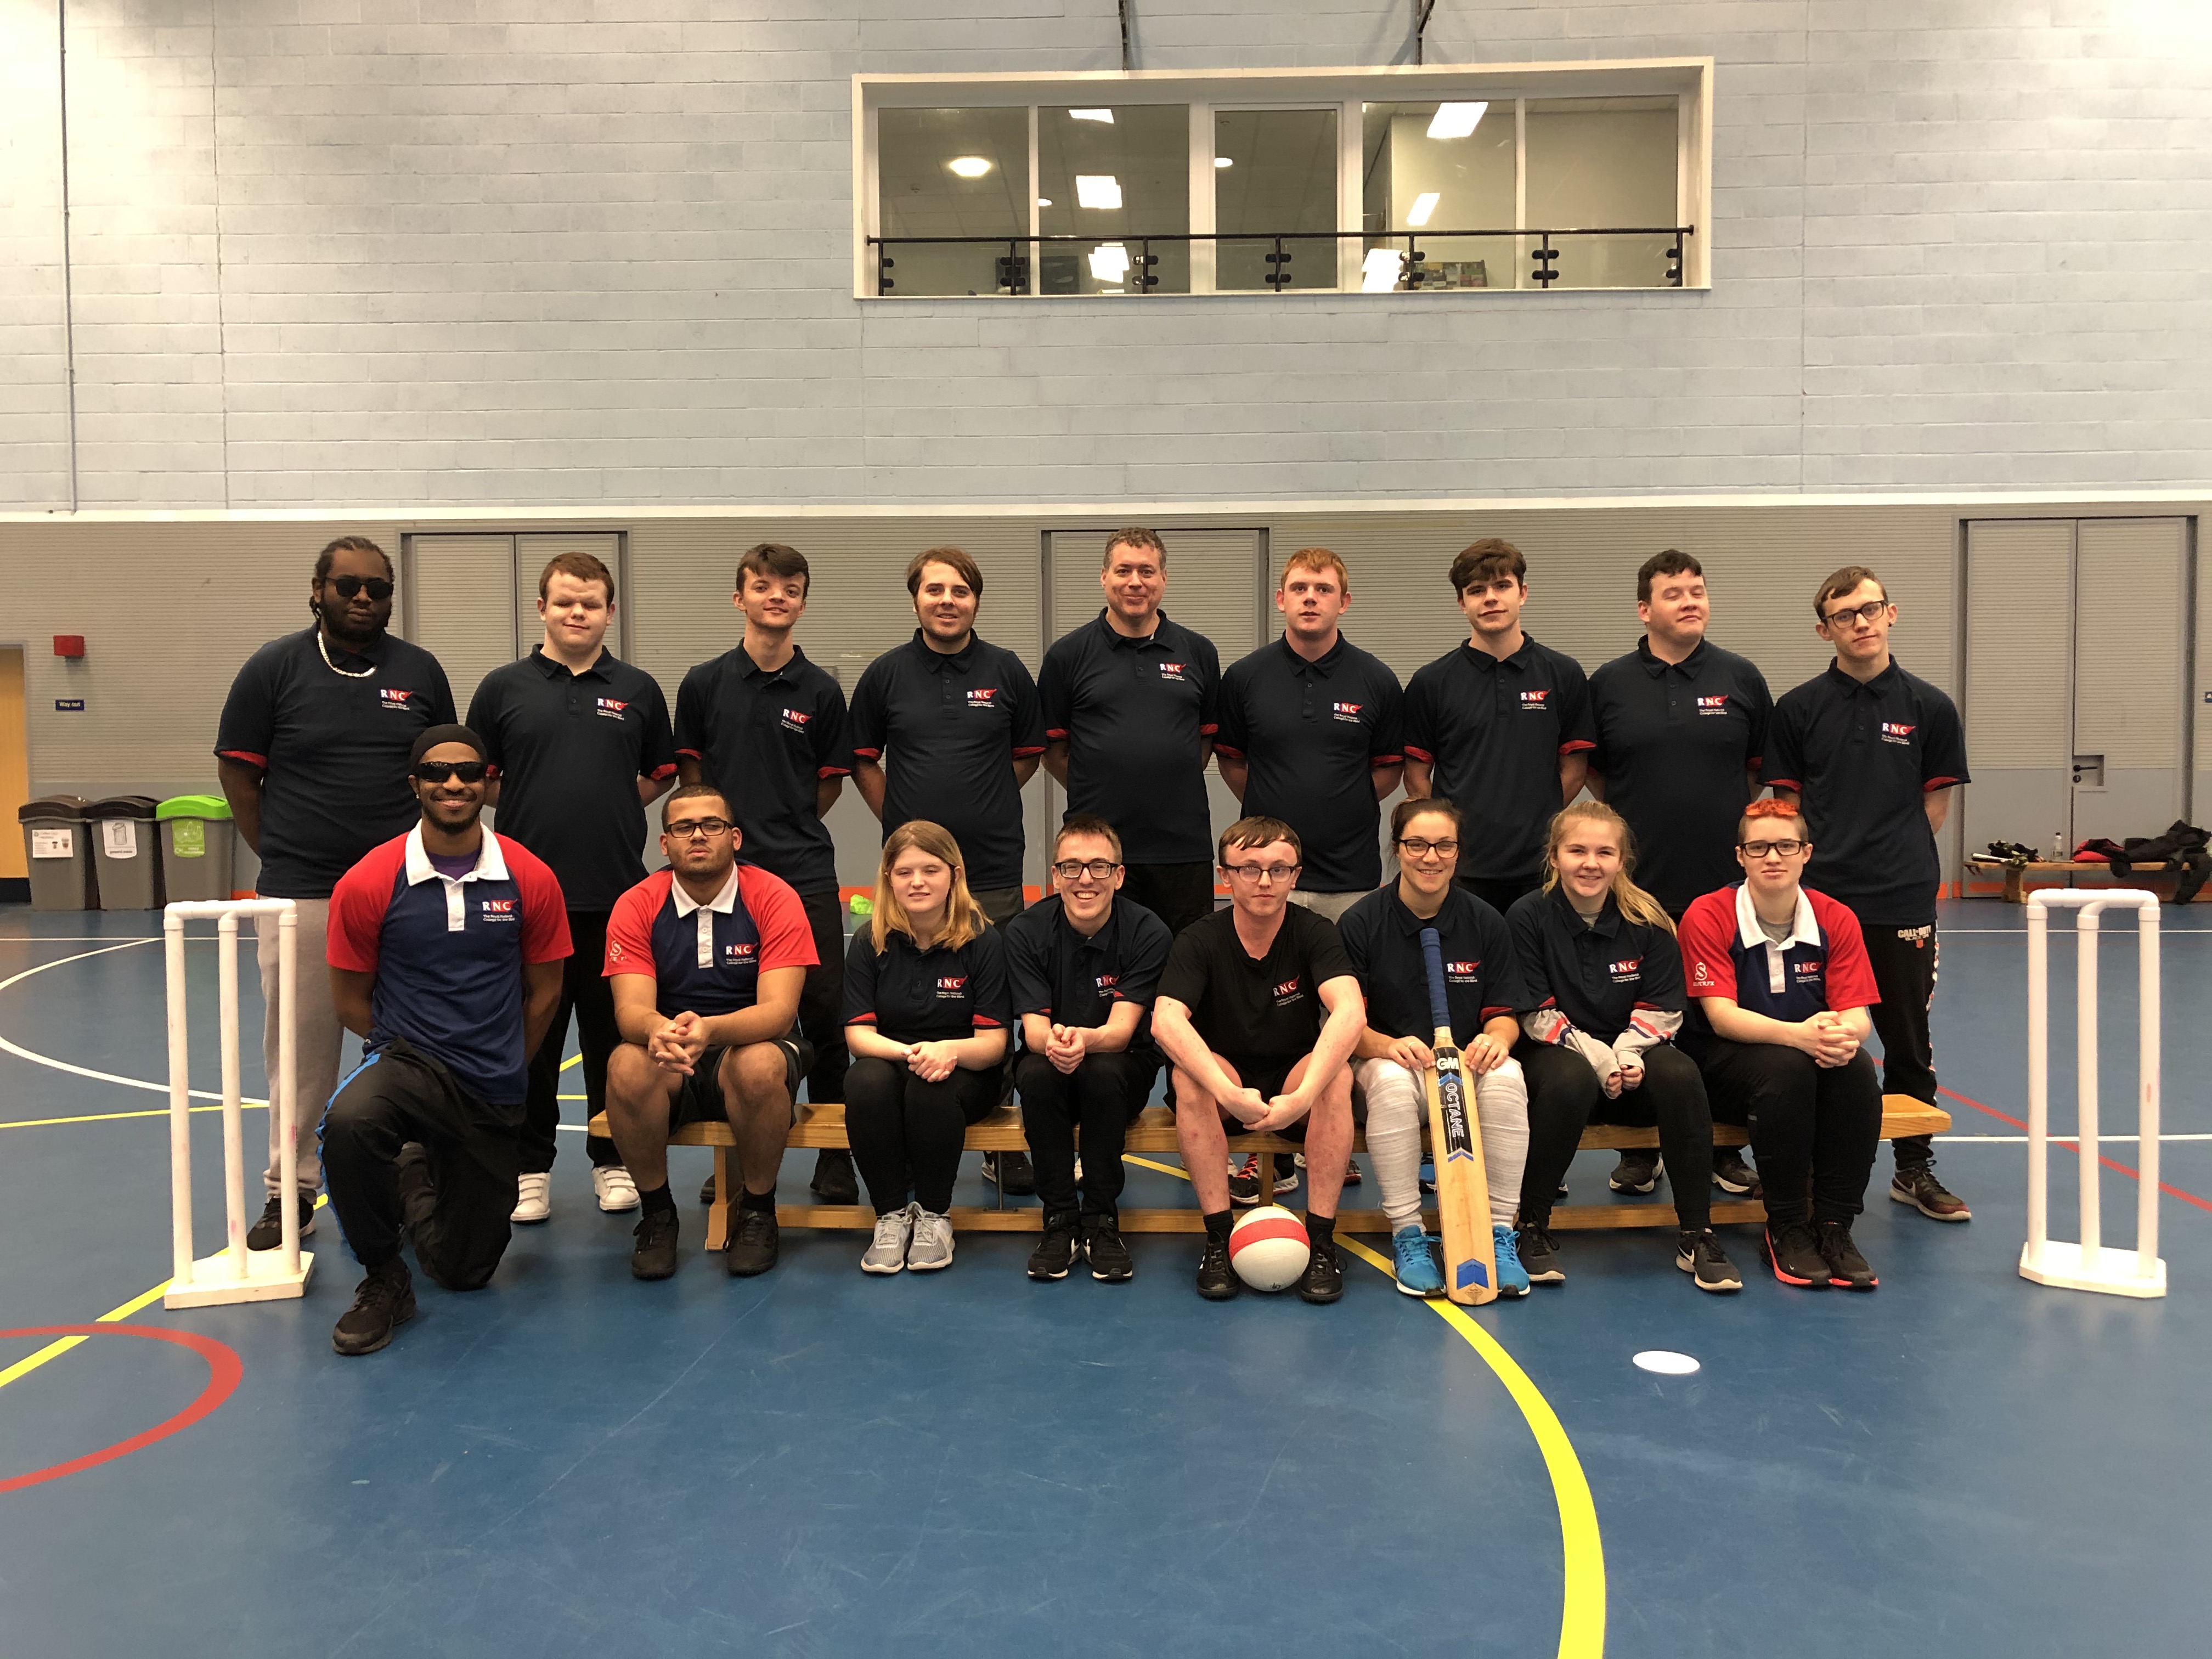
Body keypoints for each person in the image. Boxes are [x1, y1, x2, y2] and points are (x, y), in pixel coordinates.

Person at [216, 536, 456, 1253]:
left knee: (418, 1042)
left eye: (377, 588)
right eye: (347, 585)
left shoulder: (419, 671)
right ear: (317, 589)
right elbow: (238, 774)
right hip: (304, 894)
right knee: (301, 1049)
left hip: (407, 890)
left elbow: (444, 768)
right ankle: (289, 1191)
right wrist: (283, 853)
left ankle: (414, 1177)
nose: (362, 598)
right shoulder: (274, 668)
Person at [320, 727, 570, 1356]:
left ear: (488, 783)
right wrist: (403, 1049)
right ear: (415, 785)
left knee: (466, 1271)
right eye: (436, 772)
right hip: (409, 1060)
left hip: (492, 1077)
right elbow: (349, 1000)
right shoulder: (370, 881)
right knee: (349, 1123)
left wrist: (510, 1059)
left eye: (467, 772)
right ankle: (384, 1277)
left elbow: (545, 991)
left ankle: (411, 1171)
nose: (453, 784)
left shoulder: (530, 877)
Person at [466, 550, 676, 1224]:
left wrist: (610, 801)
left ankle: (612, 1160)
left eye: (590, 603)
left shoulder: (639, 689)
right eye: (564, 602)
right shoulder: (502, 688)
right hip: (525, 902)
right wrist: (531, 801)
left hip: (617, 899)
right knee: (532, 1037)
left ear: (610, 612)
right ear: (542, 609)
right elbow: (477, 779)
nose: (577, 613)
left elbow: (660, 774)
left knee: (613, 1038)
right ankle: (529, 1168)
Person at [1766, 566, 1972, 1223]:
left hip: (1901, 901)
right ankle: (1808, 1168)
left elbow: (1933, 807)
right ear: (1823, 629)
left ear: (1891, 613)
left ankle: (1913, 1168)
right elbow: (1787, 806)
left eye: (1870, 609)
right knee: (1819, 1037)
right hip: (1818, 903)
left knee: (1908, 1041)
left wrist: (1891, 857)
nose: (1860, 622)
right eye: (1844, 614)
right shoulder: (1798, 709)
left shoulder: (1930, 707)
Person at [849, 545, 1046, 1195]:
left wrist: (984, 800)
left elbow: (1026, 756)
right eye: (934, 589)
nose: (947, 601)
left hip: (993, 866)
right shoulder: (884, 675)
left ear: (976, 601)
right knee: (913, 993)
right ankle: (908, 1128)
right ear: (916, 599)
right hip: (913, 878)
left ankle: (999, 1141)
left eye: (960, 590)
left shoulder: (1006, 669)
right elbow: (863, 760)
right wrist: (905, 829)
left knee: (997, 1006)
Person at [675, 542, 861, 1207]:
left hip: (803, 873)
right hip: (724, 880)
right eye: (762, 586)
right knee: (731, 1011)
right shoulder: (703, 684)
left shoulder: (822, 691)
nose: (776, 596)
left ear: (802, 603)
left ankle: (835, 1157)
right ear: (740, 598)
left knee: (824, 1015)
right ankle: (736, 1151)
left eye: (790, 587)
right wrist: (723, 845)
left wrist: (783, 826)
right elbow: (692, 781)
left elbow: (827, 786)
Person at [1586, 548, 1774, 1203]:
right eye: (1674, 593)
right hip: (1637, 890)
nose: (1690, 601)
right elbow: (1598, 775)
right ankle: (1639, 1149)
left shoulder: (1741, 676)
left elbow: (1757, 773)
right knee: (1636, 1018)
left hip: (1721, 888)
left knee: (1717, 1020)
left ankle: (1725, 1147)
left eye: (1697, 590)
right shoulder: (1609, 683)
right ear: (1645, 610)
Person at [1506, 803, 1740, 1293]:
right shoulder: (1527, 917)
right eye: (1577, 851)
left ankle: (1697, 1232)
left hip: (1634, 1057)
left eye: (1604, 853)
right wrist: (1600, 1058)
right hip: (1561, 1059)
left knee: (1680, 1075)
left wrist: (1629, 1054)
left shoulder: (1648, 919)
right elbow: (1533, 1013)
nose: (1590, 863)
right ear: (1554, 856)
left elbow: (1664, 1007)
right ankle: (1531, 1225)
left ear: (1621, 861)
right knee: (1568, 1078)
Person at [601, 786, 817, 1281]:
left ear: (734, 837)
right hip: (674, 1051)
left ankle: (758, 1213)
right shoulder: (637, 904)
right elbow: (630, 1009)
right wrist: (658, 1029)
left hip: (752, 1042)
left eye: (712, 825)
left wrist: (712, 1029)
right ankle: (658, 1215)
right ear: (665, 844)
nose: (698, 836)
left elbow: (779, 1012)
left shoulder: (774, 897)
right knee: (626, 1064)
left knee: (758, 1065)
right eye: (684, 827)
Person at [1151, 817, 1364, 1305]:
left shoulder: (1315, 932)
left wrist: (1302, 1097)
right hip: (1225, 1080)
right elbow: (1166, 1021)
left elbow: (1350, 1011)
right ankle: (1218, 1240)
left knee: (1337, 1077)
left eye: (1278, 869)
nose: (1265, 881)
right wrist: (1228, 1093)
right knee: (1189, 1078)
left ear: (1296, 875)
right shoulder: (1199, 939)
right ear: (1225, 876)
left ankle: (1322, 1241)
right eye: (1249, 868)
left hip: (1293, 1079)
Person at [1678, 799, 1884, 1290]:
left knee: (1857, 1071)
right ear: (1740, 856)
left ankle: (1834, 1227)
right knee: (1785, 1071)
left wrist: (1841, 1038)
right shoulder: (1708, 914)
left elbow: (1857, 1017)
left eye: (1786, 846)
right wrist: (1800, 1036)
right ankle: (1786, 1226)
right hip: (1721, 1064)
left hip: (1806, 1053)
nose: (1773, 857)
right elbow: (1722, 1017)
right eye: (1759, 847)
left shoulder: (1836, 917)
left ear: (1806, 853)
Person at [1338, 798, 1533, 1299]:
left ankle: (1499, 1233)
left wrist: (1497, 1039)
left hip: (1464, 1065)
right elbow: (1345, 1024)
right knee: (1390, 1084)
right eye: (1417, 844)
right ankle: (1408, 1233)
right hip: (1388, 1064)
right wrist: (1385, 1045)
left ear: (1458, 851)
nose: (1431, 857)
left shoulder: (1486, 921)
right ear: (1397, 848)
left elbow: (1504, 1013)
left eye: (1444, 845)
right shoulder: (1361, 922)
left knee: (1509, 1077)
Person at [1003, 815, 1173, 1284]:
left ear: (1119, 876)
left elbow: (1119, 1033)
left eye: (1099, 867)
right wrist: (1057, 1043)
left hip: (1122, 1066)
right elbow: (1034, 1031)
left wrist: (1084, 1040)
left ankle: (1101, 1220)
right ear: (1055, 876)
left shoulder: (1148, 932)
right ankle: (1059, 1219)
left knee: (1103, 1073)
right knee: (1036, 1075)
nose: (1085, 879)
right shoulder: (1026, 931)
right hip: (1051, 1058)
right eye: (1072, 867)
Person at [842, 821, 1013, 1276]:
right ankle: (890, 1216)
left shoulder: (983, 940)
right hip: (898, 1061)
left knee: (931, 1088)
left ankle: (935, 1217)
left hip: (969, 1071)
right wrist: (914, 1053)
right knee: (863, 1080)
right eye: (904, 872)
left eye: (930, 870)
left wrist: (947, 1052)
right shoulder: (870, 941)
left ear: (954, 876)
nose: (917, 882)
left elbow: (994, 1044)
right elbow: (858, 1037)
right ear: (889, 878)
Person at [1039, 528, 1224, 939]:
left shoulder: (1199, 652)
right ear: (1104, 576)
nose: (1135, 582)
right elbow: (1053, 750)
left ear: (1164, 579)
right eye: (1123, 571)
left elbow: (1204, 740)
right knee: (1100, 962)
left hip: (1181, 850)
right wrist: (1099, 784)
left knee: (1184, 963)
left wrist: (1164, 777)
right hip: (1096, 853)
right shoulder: (1067, 656)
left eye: (1147, 571)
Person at [1403, 539, 1594, 914]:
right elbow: (1416, 775)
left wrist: (1536, 821)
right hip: (1459, 867)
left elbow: (1575, 769)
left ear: (1522, 593)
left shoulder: (1563, 673)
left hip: (1542, 865)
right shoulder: (1431, 682)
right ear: (1462, 603)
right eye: (1477, 590)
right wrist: (1445, 836)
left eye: (1502, 586)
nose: (1490, 598)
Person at [1214, 548, 1404, 922]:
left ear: (1344, 602)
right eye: (1299, 588)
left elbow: (1389, 770)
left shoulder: (1378, 680)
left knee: (1346, 963)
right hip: (1264, 874)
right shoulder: (1244, 677)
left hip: (1349, 877)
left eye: (1324, 589)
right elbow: (1232, 761)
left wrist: (1342, 800)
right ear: (1281, 600)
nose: (1311, 598)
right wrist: (1272, 799)